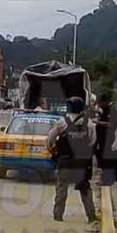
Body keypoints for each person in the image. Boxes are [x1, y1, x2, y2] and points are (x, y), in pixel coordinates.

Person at [46, 96, 97, 225]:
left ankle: (58, 216)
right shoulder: (89, 123)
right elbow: (92, 142)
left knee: (61, 190)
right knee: (85, 190)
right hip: (82, 163)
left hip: (65, 162)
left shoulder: (62, 122)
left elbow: (49, 140)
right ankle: (91, 216)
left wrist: (52, 150)